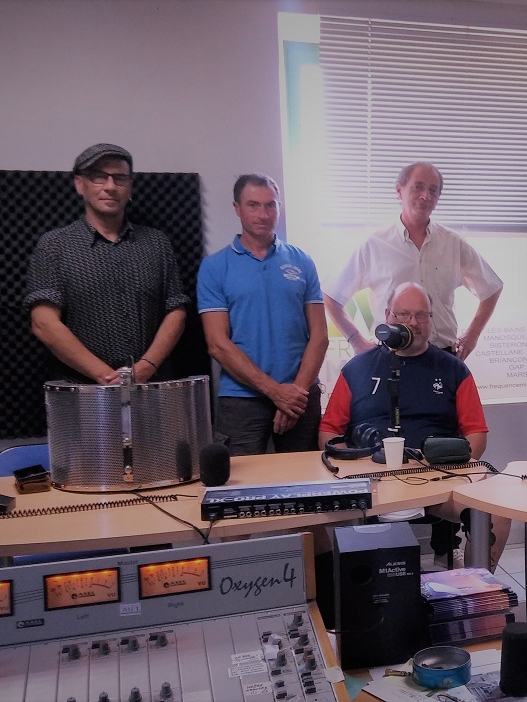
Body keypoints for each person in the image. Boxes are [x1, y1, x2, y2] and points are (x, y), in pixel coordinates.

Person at [318, 282, 509, 568]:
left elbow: (476, 434)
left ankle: (476, 587)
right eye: (404, 315)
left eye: (421, 315)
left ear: (431, 319)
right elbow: (328, 432)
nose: (413, 323)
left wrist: (446, 464)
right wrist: (355, 464)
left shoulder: (453, 369)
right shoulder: (357, 368)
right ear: (387, 315)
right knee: (315, 520)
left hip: (434, 480)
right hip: (371, 483)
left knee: (498, 508)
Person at [25, 143, 188, 385]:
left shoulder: (156, 243)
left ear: (130, 186)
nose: (110, 187)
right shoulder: (55, 246)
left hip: (151, 389)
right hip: (85, 394)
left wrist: (147, 367)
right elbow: (44, 323)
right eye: (99, 177)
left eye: (119, 178)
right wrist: (108, 377)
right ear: (80, 184)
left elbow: (176, 311)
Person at [197, 174, 329, 456]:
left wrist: (294, 394)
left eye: (270, 205)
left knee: (304, 480)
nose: (263, 214)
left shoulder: (302, 261)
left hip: (300, 394)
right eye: (253, 205)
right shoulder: (215, 267)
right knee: (239, 481)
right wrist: (276, 392)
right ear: (237, 208)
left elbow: (320, 336)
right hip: (241, 398)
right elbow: (217, 344)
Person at [325, 162, 503, 359]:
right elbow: (331, 296)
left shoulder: (453, 243)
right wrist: (356, 340)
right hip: (391, 357)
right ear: (399, 191)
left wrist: (471, 336)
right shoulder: (374, 244)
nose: (425, 196)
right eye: (418, 187)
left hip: (442, 357)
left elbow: (491, 288)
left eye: (433, 190)